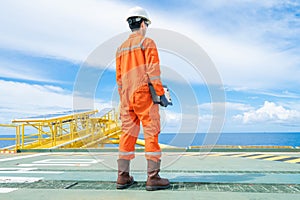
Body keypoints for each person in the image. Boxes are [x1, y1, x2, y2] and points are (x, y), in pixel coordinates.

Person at [115, 6, 170, 191]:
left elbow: (119, 78)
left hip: (126, 98)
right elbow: (153, 72)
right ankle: (152, 178)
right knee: (151, 132)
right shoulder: (147, 43)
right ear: (144, 23)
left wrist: (124, 99)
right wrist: (161, 94)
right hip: (143, 95)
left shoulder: (120, 49)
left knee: (127, 135)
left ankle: (122, 177)